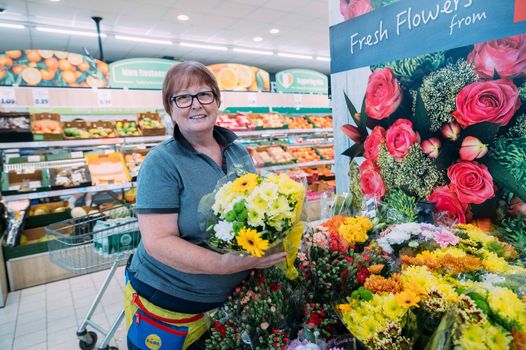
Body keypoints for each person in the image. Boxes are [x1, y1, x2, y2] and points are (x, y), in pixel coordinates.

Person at [124, 61, 286, 350]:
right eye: (182, 98)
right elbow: (158, 242)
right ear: (170, 108)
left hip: (229, 301)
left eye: (204, 94)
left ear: (217, 100)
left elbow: (251, 212)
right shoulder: (161, 162)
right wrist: (225, 264)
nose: (195, 105)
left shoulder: (236, 151)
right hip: (171, 307)